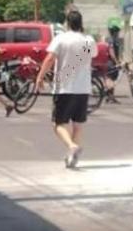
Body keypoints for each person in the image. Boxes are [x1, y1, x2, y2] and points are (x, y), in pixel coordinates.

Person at [35, 9, 97, 168]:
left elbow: (50, 59)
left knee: (58, 124)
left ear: (67, 23)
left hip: (64, 88)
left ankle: (71, 146)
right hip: (83, 88)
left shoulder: (61, 39)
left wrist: (40, 77)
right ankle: (72, 158)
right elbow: (89, 57)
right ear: (81, 23)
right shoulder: (88, 40)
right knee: (78, 125)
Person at [104, 24, 123, 103]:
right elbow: (111, 51)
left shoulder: (111, 39)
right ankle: (110, 96)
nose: (118, 33)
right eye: (117, 32)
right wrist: (116, 61)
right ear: (114, 32)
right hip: (110, 62)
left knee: (111, 78)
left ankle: (109, 96)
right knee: (111, 79)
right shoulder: (111, 40)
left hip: (110, 61)